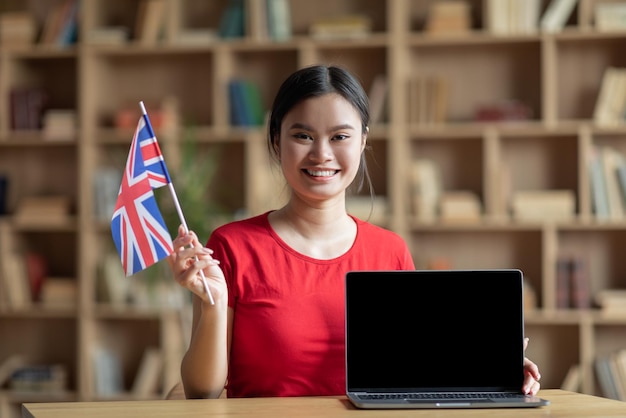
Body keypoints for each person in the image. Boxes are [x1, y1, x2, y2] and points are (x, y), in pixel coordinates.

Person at [167, 65, 542, 399]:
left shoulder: (390, 251)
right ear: (277, 141)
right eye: (302, 136)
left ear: (363, 141)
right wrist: (213, 304)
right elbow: (202, 391)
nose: (321, 154)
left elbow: (414, 374)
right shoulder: (232, 246)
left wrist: (492, 372)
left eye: (340, 137)